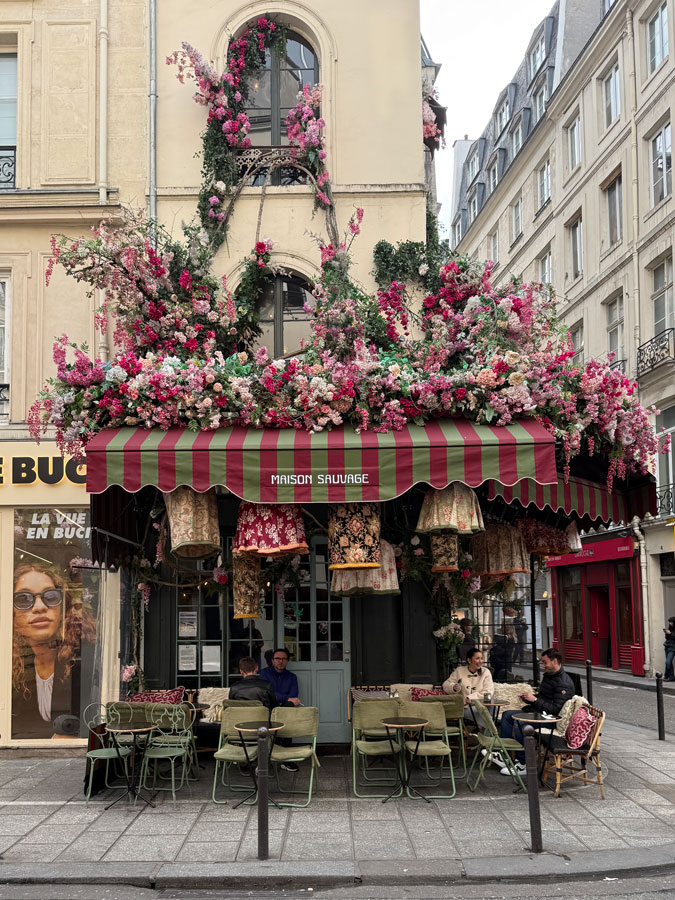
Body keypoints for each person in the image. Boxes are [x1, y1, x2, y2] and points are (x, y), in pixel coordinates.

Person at [12, 563, 96, 740]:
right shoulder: (11, 668)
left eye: (50, 597)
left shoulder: (85, 658)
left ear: (63, 607)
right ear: (10, 613)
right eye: (23, 599)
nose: (39, 607)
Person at [489, 648, 575, 776]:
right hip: (540, 713)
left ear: (554, 661)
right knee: (507, 715)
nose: (543, 665)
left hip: (551, 720)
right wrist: (529, 699)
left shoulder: (563, 683)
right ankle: (504, 755)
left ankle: (523, 763)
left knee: (521, 723)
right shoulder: (550, 676)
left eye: (545, 662)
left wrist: (534, 700)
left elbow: (556, 709)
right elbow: (543, 698)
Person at [259, 647, 301, 772]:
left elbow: (294, 696)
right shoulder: (265, 674)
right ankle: (275, 756)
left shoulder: (292, 677)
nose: (280, 661)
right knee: (284, 709)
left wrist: (283, 699)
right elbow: (267, 694)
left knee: (288, 710)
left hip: (285, 709)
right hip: (269, 708)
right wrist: (284, 698)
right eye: (277, 659)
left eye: (283, 659)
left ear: (287, 661)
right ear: (272, 660)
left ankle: (286, 759)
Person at [443, 647, 494, 721]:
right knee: (484, 714)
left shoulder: (485, 672)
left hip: (481, 706)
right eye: (477, 658)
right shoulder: (459, 671)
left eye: (481, 658)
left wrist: (469, 698)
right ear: (469, 660)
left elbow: (488, 693)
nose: (480, 661)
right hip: (464, 707)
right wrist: (453, 687)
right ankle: (485, 730)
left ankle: (483, 729)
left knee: (486, 710)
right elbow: (446, 684)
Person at [663, 617, 675, 682]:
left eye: (671, 622)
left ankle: (667, 675)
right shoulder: (669, 628)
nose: (670, 623)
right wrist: (666, 633)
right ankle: (670, 676)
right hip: (667, 646)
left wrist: (670, 634)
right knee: (669, 663)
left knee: (667, 662)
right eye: (669, 622)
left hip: (673, 648)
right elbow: (667, 638)